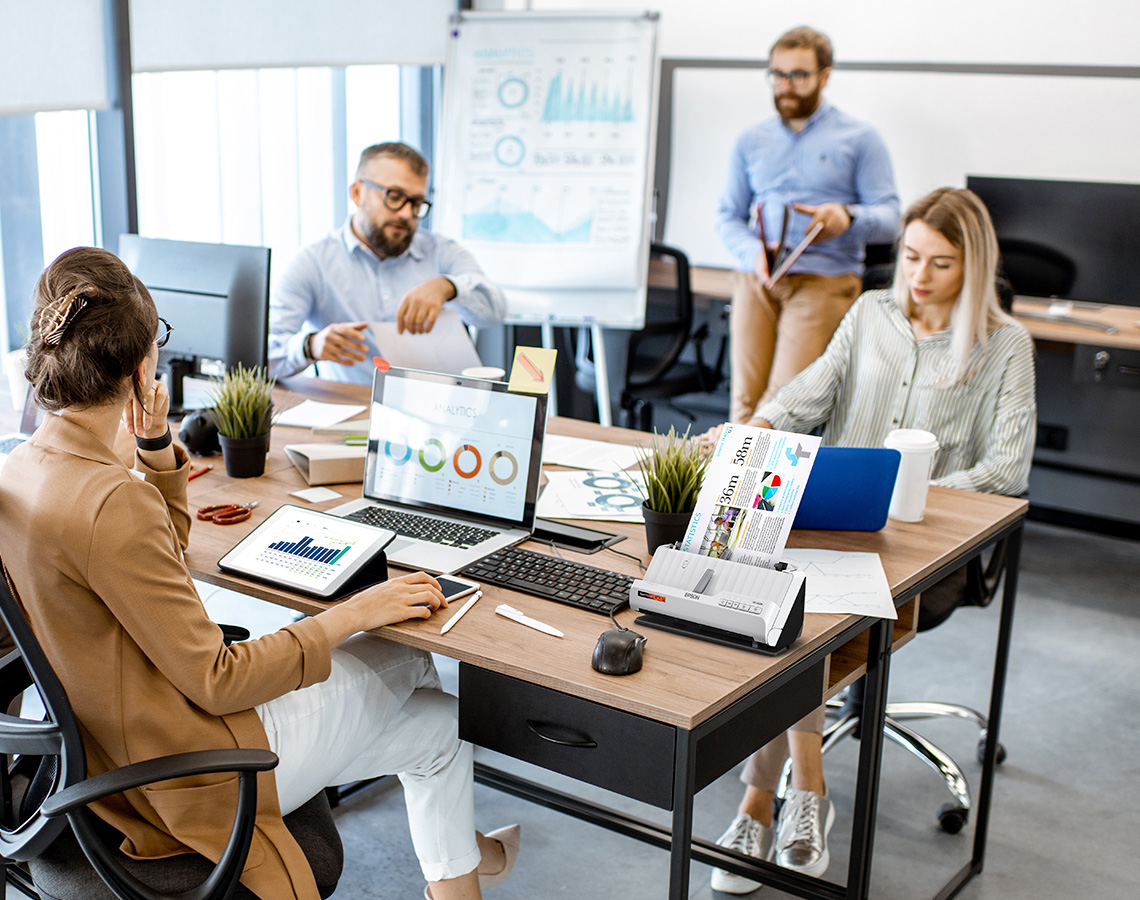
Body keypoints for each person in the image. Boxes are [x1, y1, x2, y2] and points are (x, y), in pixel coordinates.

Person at [0, 247, 518, 900]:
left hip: (112, 748)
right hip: (183, 769)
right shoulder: (111, 500)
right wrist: (355, 613)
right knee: (406, 659)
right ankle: (467, 855)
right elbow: (218, 680)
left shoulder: (22, 468)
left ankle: (467, 860)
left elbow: (156, 564)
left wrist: (157, 449)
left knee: (437, 726)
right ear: (141, 368)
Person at [706, 187, 1037, 894]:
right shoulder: (869, 315)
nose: (918, 276)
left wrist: (916, 496)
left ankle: (762, 800)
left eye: (940, 264)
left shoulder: (1005, 346)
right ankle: (805, 794)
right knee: (767, 608)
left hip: (929, 552)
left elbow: (1007, 469)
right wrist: (754, 432)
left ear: (973, 266)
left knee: (798, 631)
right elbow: (805, 399)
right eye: (911, 257)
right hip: (834, 526)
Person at [716, 25, 900, 425]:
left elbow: (890, 218)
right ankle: (728, 483)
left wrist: (847, 217)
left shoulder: (861, 138)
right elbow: (727, 216)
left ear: (825, 75)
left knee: (779, 404)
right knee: (744, 401)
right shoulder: (751, 140)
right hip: (759, 276)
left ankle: (744, 476)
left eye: (798, 75)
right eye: (778, 75)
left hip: (824, 277)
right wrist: (752, 253)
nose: (786, 86)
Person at [269, 141, 506, 384]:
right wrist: (310, 345)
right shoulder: (314, 262)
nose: (406, 214)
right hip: (355, 408)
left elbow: (495, 311)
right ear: (358, 193)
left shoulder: (439, 251)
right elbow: (260, 357)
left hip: (440, 406)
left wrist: (448, 287)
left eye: (415, 203)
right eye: (394, 197)